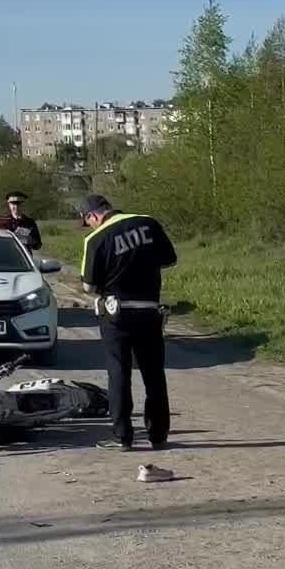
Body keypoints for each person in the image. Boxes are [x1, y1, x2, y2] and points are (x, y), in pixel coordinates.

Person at [78, 193, 177, 450]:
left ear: (92, 216)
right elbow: (169, 259)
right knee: (154, 374)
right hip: (149, 310)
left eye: (88, 221)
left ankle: (123, 436)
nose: (89, 226)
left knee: (119, 373)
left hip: (116, 314)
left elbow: (89, 285)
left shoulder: (95, 239)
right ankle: (158, 435)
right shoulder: (148, 222)